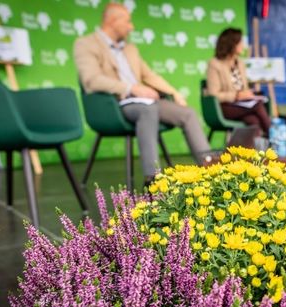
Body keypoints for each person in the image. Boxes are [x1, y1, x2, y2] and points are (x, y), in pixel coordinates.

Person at [74, 3, 215, 184]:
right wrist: (131, 88)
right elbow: (91, 80)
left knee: (187, 113)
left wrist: (174, 92)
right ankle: (153, 178)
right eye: (128, 21)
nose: (131, 27)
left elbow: (149, 75)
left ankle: (210, 170)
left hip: (144, 100)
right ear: (113, 21)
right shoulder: (86, 44)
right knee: (148, 111)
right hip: (114, 104)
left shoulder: (130, 49)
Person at [206, 28, 271, 137]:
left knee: (253, 120)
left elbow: (243, 87)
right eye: (240, 42)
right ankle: (274, 140)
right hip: (224, 108)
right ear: (231, 44)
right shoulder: (214, 64)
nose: (243, 46)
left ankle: (253, 152)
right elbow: (214, 95)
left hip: (243, 107)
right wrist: (236, 96)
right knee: (258, 105)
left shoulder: (240, 63)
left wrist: (248, 94)